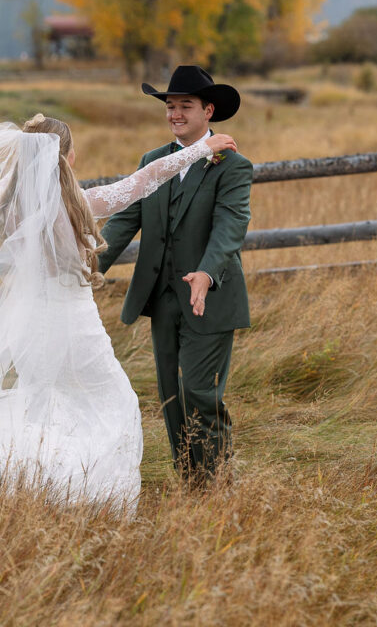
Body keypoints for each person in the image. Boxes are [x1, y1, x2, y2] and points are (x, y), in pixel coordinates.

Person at [0, 113, 236, 516]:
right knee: (115, 403)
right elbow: (141, 182)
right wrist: (200, 149)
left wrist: (28, 157)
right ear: (68, 158)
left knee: (45, 411)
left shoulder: (9, 202)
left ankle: (38, 493)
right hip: (73, 328)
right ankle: (83, 495)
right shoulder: (78, 205)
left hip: (31, 330)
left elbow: (13, 181)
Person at [98, 66, 252, 482]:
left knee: (201, 393)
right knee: (170, 396)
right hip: (161, 298)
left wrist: (206, 272)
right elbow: (124, 220)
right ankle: (190, 481)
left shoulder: (232, 166)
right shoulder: (153, 161)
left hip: (210, 297)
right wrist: (86, 267)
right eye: (170, 106)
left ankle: (216, 484)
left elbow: (230, 226)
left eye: (185, 105)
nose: (175, 114)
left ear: (209, 110)